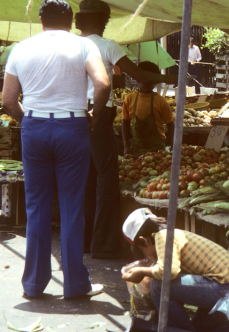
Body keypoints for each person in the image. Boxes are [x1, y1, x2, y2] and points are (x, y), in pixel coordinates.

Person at [2, 0, 110, 298]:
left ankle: (34, 285)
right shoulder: (84, 46)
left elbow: (9, 100)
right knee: (72, 207)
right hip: (73, 128)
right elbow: (102, 85)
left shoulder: (20, 48)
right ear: (72, 20)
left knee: (36, 207)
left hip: (35, 128)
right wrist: (95, 115)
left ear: (41, 21)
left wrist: (30, 121)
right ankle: (75, 284)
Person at [75, 0, 177, 260]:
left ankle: (85, 242)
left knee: (85, 179)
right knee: (106, 179)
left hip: (74, 117)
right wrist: (169, 78)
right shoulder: (107, 45)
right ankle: (103, 245)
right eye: (107, 20)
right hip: (97, 116)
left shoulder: (71, 45)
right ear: (102, 21)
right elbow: (141, 76)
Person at [121, 208, 229, 331]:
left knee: (159, 286)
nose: (147, 257)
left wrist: (142, 272)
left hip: (227, 286)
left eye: (144, 253)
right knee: (197, 327)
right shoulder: (172, 235)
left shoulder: (163, 236)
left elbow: (168, 272)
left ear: (145, 241)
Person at [122, 62, 175, 156]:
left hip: (157, 149)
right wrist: (126, 146)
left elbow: (171, 125)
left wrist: (173, 145)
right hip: (136, 148)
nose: (147, 83)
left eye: (151, 80)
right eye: (144, 79)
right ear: (138, 78)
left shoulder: (160, 101)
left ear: (156, 81)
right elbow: (125, 124)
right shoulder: (129, 99)